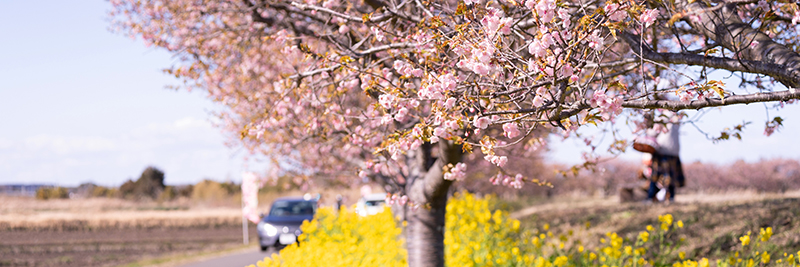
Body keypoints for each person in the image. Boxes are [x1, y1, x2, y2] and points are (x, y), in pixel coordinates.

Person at [648, 112, 685, 203]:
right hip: (673, 151)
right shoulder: (677, 118)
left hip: (663, 151)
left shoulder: (662, 118)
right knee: (671, 177)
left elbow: (651, 132)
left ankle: (650, 197)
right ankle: (671, 197)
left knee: (656, 177)